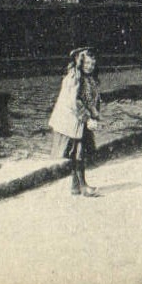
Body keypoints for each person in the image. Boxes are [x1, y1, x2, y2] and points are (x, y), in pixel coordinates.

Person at [48, 46, 103, 196]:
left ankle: (75, 185)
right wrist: (87, 119)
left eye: (92, 64)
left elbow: (92, 100)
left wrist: (95, 116)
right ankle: (83, 186)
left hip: (80, 120)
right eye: (86, 64)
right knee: (78, 153)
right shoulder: (74, 77)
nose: (90, 67)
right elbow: (75, 102)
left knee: (79, 152)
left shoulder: (90, 78)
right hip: (72, 120)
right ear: (80, 63)